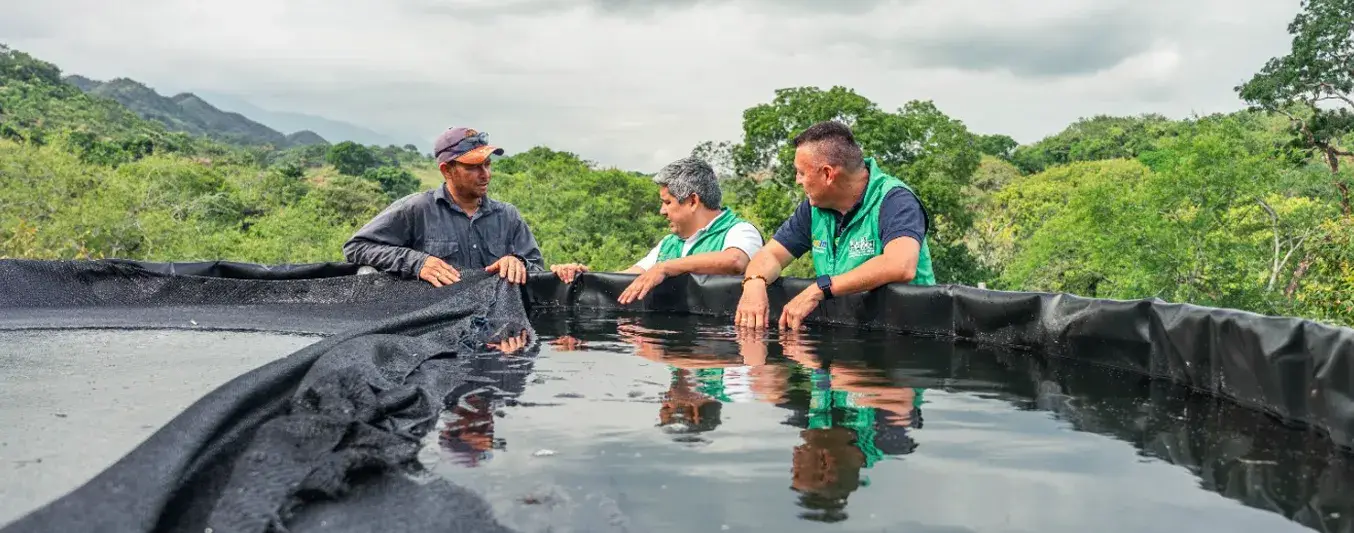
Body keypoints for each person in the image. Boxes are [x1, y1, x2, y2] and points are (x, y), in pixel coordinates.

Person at [734, 120, 935, 330]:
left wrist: (820, 288)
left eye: (801, 172)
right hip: (851, 334)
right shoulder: (814, 209)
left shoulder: (895, 200)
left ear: (828, 174)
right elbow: (772, 255)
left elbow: (900, 265)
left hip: (909, 336)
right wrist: (754, 283)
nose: (797, 180)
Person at [342, 127, 544, 287]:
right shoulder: (417, 209)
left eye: (487, 164)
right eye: (473, 167)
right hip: (434, 327)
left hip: (494, 327)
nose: (485, 174)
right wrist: (417, 262)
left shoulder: (507, 216)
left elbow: (538, 270)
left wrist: (519, 262)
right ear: (447, 170)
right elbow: (357, 247)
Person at [550, 156, 764, 304]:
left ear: (692, 201)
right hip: (682, 350)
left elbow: (734, 261)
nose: (662, 211)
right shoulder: (668, 244)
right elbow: (629, 279)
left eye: (667, 202)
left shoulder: (741, 231)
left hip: (728, 350)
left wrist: (666, 268)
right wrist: (582, 275)